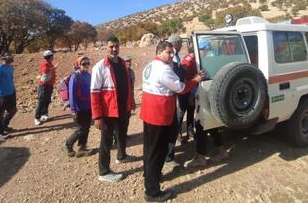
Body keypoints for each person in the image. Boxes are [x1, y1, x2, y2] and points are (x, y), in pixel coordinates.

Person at [141, 40, 205, 202]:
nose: (172, 55)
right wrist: (196, 80)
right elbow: (181, 88)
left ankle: (149, 176)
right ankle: (152, 192)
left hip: (149, 113)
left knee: (149, 149)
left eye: (172, 52)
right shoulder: (164, 70)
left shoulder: (150, 66)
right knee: (158, 151)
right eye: (168, 52)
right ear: (159, 52)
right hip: (159, 115)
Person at [91, 35, 133, 183]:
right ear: (106, 47)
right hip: (108, 110)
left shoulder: (122, 63)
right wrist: (97, 116)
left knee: (122, 134)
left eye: (116, 46)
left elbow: (127, 85)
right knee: (106, 141)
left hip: (122, 107)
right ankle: (103, 172)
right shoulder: (100, 66)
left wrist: (130, 102)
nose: (114, 49)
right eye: (111, 46)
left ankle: (122, 156)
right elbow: (94, 93)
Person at [63, 56, 93, 158]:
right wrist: (73, 109)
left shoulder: (88, 75)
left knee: (87, 127)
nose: (86, 65)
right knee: (81, 129)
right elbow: (72, 93)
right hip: (79, 108)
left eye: (88, 63)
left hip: (88, 106)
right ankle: (67, 144)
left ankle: (82, 148)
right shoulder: (75, 76)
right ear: (79, 65)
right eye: (84, 63)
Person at [164, 34, 185, 172]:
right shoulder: (169, 59)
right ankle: (168, 157)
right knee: (172, 126)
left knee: (174, 125)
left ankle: (170, 153)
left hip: (176, 94)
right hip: (173, 96)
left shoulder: (176, 56)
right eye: (180, 43)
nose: (181, 45)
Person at [0, 52, 17, 141]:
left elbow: (10, 79)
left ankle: (4, 125)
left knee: (13, 110)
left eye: (11, 56)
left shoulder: (10, 68)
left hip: (11, 93)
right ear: (3, 58)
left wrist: (13, 90)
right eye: (8, 57)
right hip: (1, 95)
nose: (11, 58)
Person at [178, 46, 197, 142]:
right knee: (181, 112)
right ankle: (177, 134)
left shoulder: (191, 60)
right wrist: (190, 94)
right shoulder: (188, 62)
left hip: (190, 91)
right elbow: (185, 79)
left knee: (191, 111)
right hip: (186, 91)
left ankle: (190, 132)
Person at [35, 50, 57, 126]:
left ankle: (44, 115)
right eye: (52, 56)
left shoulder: (49, 63)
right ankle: (37, 118)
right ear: (50, 57)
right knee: (41, 101)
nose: (53, 57)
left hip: (49, 85)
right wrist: (53, 69)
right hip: (44, 86)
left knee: (47, 101)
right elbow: (45, 72)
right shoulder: (45, 64)